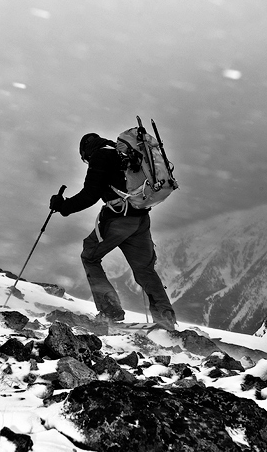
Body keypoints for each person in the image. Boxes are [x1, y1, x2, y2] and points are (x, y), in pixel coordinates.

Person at [49, 132, 177, 331]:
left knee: (90, 255)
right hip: (141, 219)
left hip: (118, 218)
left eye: (85, 159)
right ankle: (165, 318)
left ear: (86, 152)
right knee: (145, 270)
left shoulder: (100, 157)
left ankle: (110, 311)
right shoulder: (125, 154)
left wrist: (63, 206)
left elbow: (90, 194)